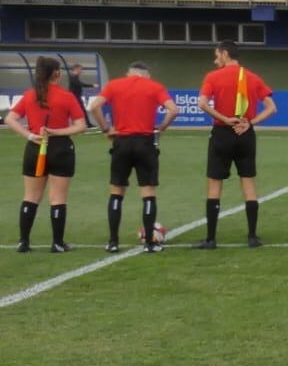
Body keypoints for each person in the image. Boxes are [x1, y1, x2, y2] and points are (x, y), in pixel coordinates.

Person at [195, 41, 276, 249]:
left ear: (224, 53)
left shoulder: (212, 77)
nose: (215, 60)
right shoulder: (252, 77)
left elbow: (202, 103)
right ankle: (252, 237)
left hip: (222, 133)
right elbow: (271, 108)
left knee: (215, 184)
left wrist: (224, 118)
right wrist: (249, 123)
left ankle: (211, 239)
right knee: (248, 183)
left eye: (216, 55)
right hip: (245, 134)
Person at [88, 61, 176, 253]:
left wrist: (106, 129)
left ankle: (113, 242)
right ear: (147, 75)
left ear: (128, 73)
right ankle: (149, 244)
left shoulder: (114, 85)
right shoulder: (154, 86)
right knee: (148, 192)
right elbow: (173, 109)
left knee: (117, 191)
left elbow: (94, 106)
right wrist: (161, 128)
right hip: (145, 142)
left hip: (122, 142)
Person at [5, 56, 87, 252]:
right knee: (57, 197)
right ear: (57, 74)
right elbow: (81, 126)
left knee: (31, 196)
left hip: (35, 146)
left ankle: (23, 242)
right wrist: (56, 132)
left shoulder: (30, 95)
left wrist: (29, 135)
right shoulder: (67, 96)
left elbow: (10, 118)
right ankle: (57, 243)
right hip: (60, 148)